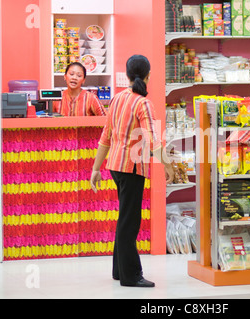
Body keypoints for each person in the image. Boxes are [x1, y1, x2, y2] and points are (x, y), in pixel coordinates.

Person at [90, 55, 174, 288]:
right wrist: (168, 165)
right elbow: (153, 139)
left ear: (127, 75)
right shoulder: (143, 103)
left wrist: (96, 168)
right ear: (148, 75)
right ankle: (131, 276)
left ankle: (119, 270)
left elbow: (105, 136)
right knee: (130, 221)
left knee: (125, 218)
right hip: (132, 168)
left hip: (116, 166)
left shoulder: (117, 98)